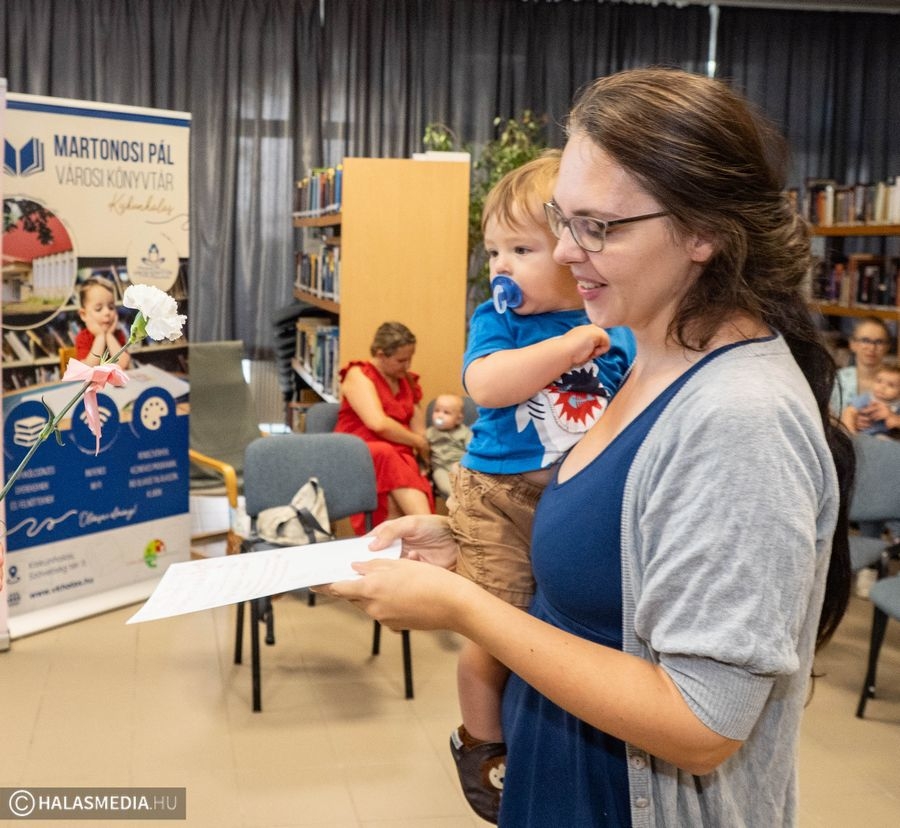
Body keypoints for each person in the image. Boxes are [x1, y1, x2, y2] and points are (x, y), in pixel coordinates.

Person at [322, 67, 854, 827]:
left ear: (703, 231)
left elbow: (702, 725)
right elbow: (617, 559)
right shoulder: (644, 353)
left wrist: (465, 608)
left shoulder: (740, 418)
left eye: (597, 227)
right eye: (561, 221)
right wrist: (463, 550)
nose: (566, 253)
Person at [447, 150, 635, 821]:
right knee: (494, 626)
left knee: (553, 629)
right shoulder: (498, 322)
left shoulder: (618, 323)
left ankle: (537, 737)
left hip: (570, 501)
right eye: (494, 251)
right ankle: (480, 743)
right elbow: (486, 385)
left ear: (572, 250)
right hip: (497, 497)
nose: (501, 266)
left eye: (520, 249)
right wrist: (566, 347)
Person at [334, 321, 433, 534]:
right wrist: (418, 443)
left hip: (399, 449)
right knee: (386, 454)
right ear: (380, 355)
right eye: (401, 360)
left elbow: (419, 429)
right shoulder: (358, 375)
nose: (407, 366)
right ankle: (428, 530)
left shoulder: (407, 381)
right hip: (361, 448)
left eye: (410, 359)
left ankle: (415, 536)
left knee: (404, 462)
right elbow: (377, 423)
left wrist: (422, 446)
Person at [830, 316, 893, 417]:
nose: (872, 347)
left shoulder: (896, 381)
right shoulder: (837, 380)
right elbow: (826, 417)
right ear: (852, 344)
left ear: (887, 346)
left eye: (879, 342)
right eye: (865, 340)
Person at [75, 276, 131, 369]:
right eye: (98, 309)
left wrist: (109, 335)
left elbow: (123, 365)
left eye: (111, 307)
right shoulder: (83, 337)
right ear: (84, 315)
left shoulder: (118, 334)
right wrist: (100, 336)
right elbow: (89, 369)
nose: (107, 312)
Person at [425, 394, 472, 500]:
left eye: (446, 412)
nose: (440, 416)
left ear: (458, 419)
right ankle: (454, 497)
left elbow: (471, 449)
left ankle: (466, 498)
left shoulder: (464, 432)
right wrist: (423, 466)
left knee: (466, 480)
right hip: (440, 468)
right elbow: (423, 452)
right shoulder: (429, 433)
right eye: (437, 410)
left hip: (459, 465)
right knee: (443, 481)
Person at [840, 363, 900, 436]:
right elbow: (849, 412)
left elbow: (894, 423)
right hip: (865, 435)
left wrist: (891, 417)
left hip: (889, 438)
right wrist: (851, 433)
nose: (882, 387)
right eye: (879, 381)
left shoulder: (898, 405)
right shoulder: (868, 398)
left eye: (891, 385)